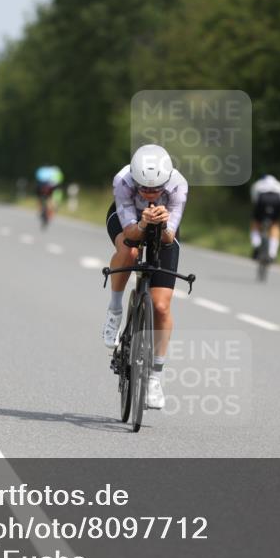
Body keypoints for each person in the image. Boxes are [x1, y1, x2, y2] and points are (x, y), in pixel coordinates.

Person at [103, 144, 188, 410]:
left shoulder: (178, 185)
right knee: (128, 253)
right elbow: (130, 232)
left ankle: (154, 377)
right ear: (134, 180)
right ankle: (115, 309)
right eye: (144, 188)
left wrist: (161, 224)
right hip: (128, 221)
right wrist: (142, 224)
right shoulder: (123, 181)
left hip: (162, 227)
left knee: (161, 305)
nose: (150, 194)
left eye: (156, 189)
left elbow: (169, 237)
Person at [249, 173, 280, 262]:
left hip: (262, 201)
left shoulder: (258, 184)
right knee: (275, 225)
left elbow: (254, 200)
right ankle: (272, 253)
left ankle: (256, 245)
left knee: (256, 223)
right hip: (276, 202)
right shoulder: (279, 185)